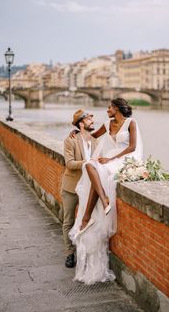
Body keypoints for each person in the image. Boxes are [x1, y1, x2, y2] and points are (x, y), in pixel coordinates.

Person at [69, 98, 143, 284]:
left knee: (99, 169)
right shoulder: (107, 123)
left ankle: (87, 216)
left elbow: (132, 147)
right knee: (90, 165)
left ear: (117, 109)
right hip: (111, 158)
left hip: (125, 159)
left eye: (109, 107)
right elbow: (91, 136)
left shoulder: (131, 123)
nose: (107, 109)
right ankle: (104, 199)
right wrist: (78, 131)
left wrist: (111, 159)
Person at [61, 109, 97, 268]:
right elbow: (69, 163)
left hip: (89, 188)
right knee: (68, 221)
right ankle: (69, 254)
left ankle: (85, 251)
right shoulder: (71, 140)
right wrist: (88, 163)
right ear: (81, 123)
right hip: (71, 187)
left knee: (88, 221)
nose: (92, 121)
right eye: (89, 119)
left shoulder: (96, 139)